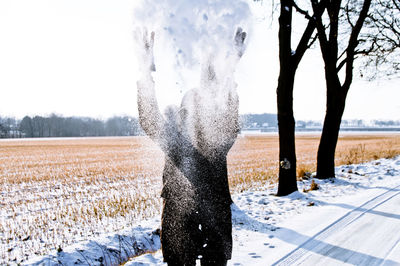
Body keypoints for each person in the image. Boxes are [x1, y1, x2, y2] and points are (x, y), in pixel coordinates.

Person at [135, 28, 246, 266]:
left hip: (205, 219)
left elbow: (150, 119)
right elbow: (150, 119)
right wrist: (145, 72)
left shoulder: (210, 139)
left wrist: (229, 72)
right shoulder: (201, 140)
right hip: (186, 218)